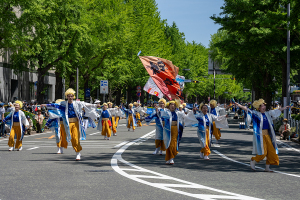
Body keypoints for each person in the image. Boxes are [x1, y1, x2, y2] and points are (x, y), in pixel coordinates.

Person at [42, 88, 98, 161]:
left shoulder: (77, 103)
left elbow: (85, 104)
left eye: (71, 96)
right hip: (67, 123)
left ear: (73, 96)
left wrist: (95, 105)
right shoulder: (64, 103)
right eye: (69, 96)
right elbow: (55, 105)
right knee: (70, 138)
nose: (70, 97)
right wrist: (46, 105)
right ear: (67, 97)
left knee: (75, 138)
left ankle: (78, 153)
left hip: (75, 123)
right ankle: (65, 148)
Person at [235, 99, 289, 172]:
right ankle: (253, 160)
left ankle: (267, 167)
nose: (264, 107)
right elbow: (247, 109)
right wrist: (239, 105)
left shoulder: (268, 113)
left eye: (264, 105)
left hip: (268, 135)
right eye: (262, 106)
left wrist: (284, 108)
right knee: (263, 152)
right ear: (259, 108)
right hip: (260, 136)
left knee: (271, 151)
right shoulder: (256, 114)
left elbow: (276, 111)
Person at [160, 99, 185, 165]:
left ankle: (171, 158)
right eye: (171, 105)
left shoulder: (178, 113)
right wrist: (160, 109)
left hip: (175, 129)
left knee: (173, 143)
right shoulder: (166, 112)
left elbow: (185, 117)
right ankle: (169, 158)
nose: (172, 106)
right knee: (168, 143)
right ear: (169, 106)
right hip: (168, 130)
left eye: (174, 105)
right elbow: (161, 116)